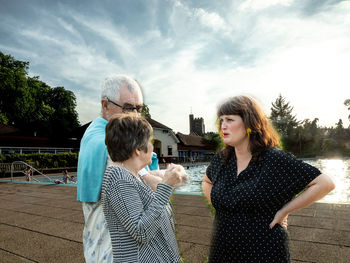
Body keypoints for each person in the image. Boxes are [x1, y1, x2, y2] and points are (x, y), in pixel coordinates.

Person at [202, 95, 335, 263]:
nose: (223, 126)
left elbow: (325, 183)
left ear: (249, 123)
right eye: (221, 120)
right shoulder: (222, 159)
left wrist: (284, 211)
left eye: (229, 119)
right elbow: (207, 182)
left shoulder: (273, 159)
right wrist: (220, 205)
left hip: (264, 251)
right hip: (222, 250)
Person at [77, 75, 187, 263]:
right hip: (114, 250)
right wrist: (171, 179)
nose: (135, 114)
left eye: (139, 108)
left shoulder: (95, 134)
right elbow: (150, 184)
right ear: (105, 105)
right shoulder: (113, 146)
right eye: (128, 108)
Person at [102, 113, 186, 262]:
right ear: (137, 149)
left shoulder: (133, 175)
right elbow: (141, 232)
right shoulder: (119, 178)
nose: (152, 148)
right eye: (150, 142)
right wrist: (165, 187)